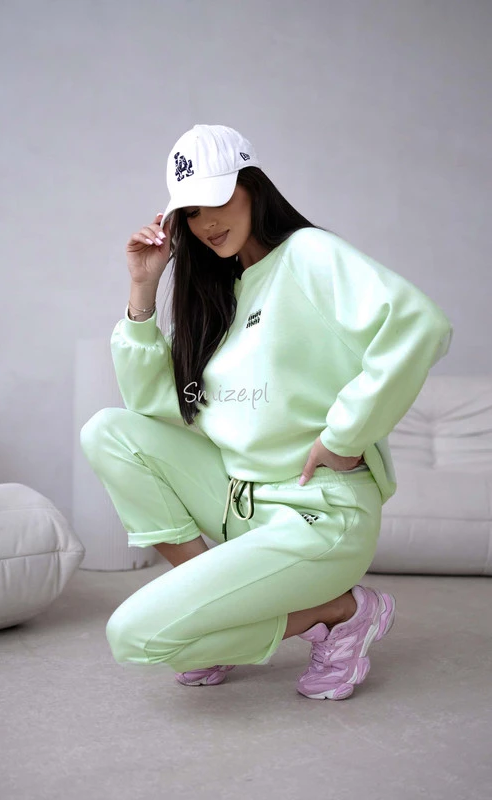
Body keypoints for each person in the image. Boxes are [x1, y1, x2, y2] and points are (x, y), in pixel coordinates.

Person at [80, 123, 453, 700]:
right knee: (108, 430)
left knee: (136, 637)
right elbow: (150, 406)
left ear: (253, 187)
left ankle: (339, 612)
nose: (206, 223)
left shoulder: (307, 254)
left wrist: (347, 435)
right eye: (191, 212)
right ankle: (215, 610)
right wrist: (142, 289)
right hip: (241, 504)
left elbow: (419, 325)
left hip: (317, 512)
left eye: (218, 199)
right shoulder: (222, 293)